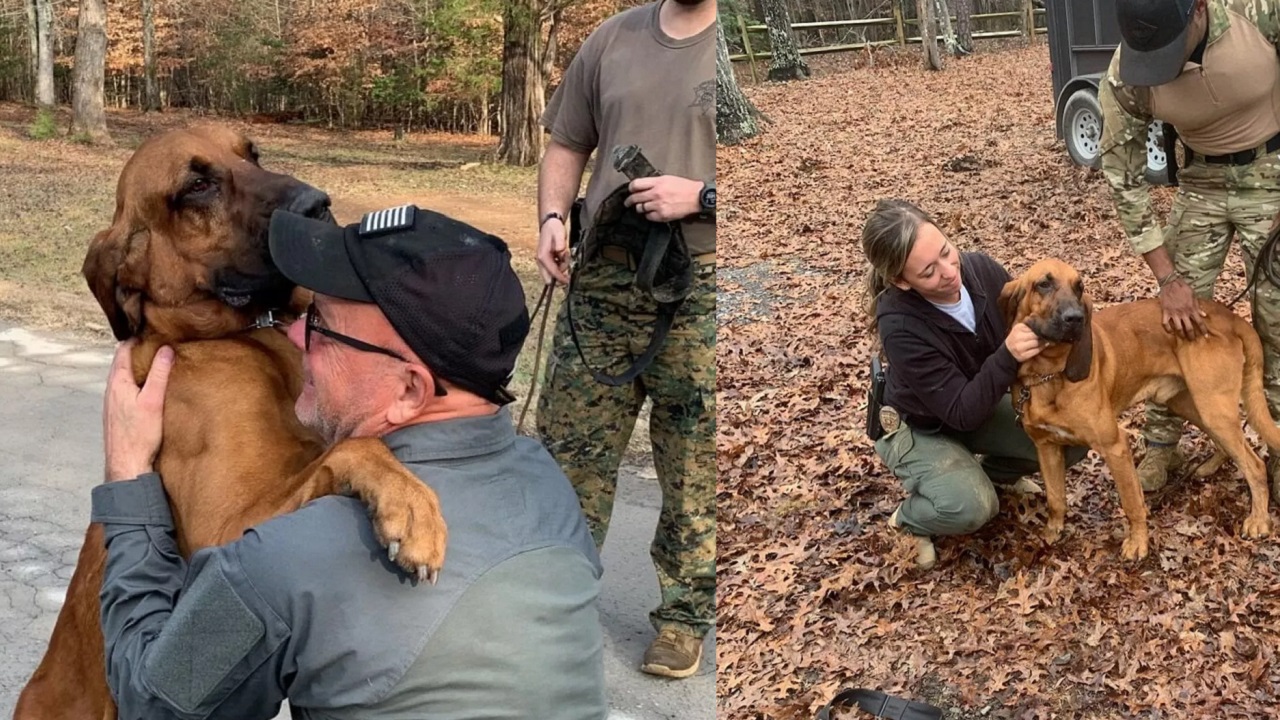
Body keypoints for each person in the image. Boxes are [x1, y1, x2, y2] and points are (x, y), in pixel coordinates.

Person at [93, 205, 607, 718]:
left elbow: (152, 700)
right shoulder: (551, 489)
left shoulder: (293, 554)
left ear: (409, 391)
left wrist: (130, 479)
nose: (294, 336)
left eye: (319, 323)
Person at [533, 0, 716, 679]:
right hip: (605, 274)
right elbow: (566, 142)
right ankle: (552, 604)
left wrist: (702, 195)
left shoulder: (739, 46)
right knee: (567, 449)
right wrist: (553, 217)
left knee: (695, 461)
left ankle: (684, 618)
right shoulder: (612, 38)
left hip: (701, 282)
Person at [1099, 0, 1280, 494]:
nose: (1161, 63)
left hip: (1273, 170)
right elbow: (1124, 178)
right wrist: (1166, 278)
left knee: (1277, 320)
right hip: (1200, 182)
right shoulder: (1126, 74)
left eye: (1167, 49)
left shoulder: (1258, 15)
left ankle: (1276, 451)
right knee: (1172, 320)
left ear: (1198, 9)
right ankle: (1163, 447)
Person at [862, 199, 1088, 569]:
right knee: (974, 507)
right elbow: (960, 412)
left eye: (947, 252)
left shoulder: (981, 270)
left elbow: (1032, 317)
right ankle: (910, 518)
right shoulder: (899, 326)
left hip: (976, 401)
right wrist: (1008, 355)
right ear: (902, 281)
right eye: (929, 272)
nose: (950, 271)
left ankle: (983, 475)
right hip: (919, 426)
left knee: (1070, 435)